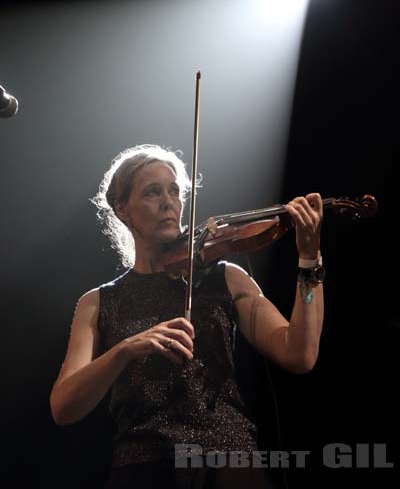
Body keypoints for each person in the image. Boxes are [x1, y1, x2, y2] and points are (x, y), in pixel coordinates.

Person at [50, 144, 324, 488]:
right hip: (143, 468)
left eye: (175, 191)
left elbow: (299, 353)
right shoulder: (99, 302)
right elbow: (63, 407)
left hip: (230, 463)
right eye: (153, 192)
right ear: (122, 209)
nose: (170, 202)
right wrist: (125, 349)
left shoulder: (224, 278)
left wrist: (309, 261)